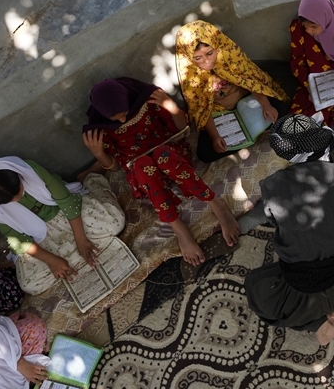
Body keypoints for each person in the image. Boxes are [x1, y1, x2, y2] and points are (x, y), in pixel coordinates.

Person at [244, 115, 334, 345]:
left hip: (301, 286)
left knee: (256, 288)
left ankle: (314, 322)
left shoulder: (271, 185)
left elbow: (274, 222)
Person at [81, 77, 240, 265]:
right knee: (141, 165)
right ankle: (177, 225)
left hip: (173, 158)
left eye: (124, 113)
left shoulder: (149, 102)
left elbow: (183, 129)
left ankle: (215, 202)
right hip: (144, 175)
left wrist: (170, 106)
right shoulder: (101, 130)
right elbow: (115, 167)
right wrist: (99, 154)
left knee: (161, 153)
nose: (123, 119)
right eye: (115, 119)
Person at [0, 156, 125, 296]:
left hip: (65, 212)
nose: (18, 198)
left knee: (115, 222)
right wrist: (51, 260)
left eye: (18, 191)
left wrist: (80, 239)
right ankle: (73, 250)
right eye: (10, 200)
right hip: (39, 234)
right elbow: (18, 239)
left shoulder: (30, 170)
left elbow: (67, 202)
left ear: (18, 176)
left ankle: (90, 179)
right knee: (30, 284)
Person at [175, 20, 290, 163]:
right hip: (220, 113)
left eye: (210, 53)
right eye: (198, 58)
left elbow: (252, 81)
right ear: (189, 58)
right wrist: (215, 137)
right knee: (205, 153)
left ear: (216, 46)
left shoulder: (230, 55)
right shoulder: (191, 76)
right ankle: (244, 139)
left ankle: (246, 136)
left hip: (248, 100)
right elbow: (202, 109)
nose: (206, 61)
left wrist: (266, 105)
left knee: (281, 109)